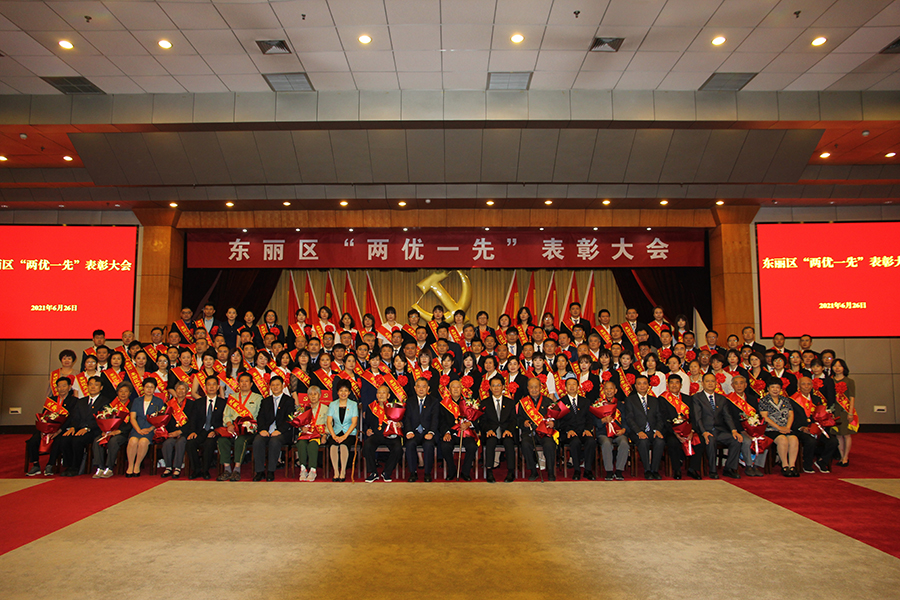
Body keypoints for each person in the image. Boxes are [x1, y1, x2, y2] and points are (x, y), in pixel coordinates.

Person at [692, 372, 742, 479]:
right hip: (706, 430)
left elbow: (727, 416)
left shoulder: (721, 398)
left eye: (712, 381)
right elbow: (697, 418)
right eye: (707, 381)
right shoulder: (697, 398)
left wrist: (733, 430)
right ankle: (713, 470)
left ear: (716, 383)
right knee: (711, 440)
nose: (710, 383)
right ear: (702, 383)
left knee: (736, 440)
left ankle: (729, 468)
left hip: (720, 430)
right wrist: (704, 432)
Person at [218, 373, 263, 481]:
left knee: (240, 441)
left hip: (248, 430)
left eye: (246, 381)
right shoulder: (232, 397)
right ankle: (227, 469)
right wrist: (229, 424)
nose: (244, 383)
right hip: (233, 428)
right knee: (222, 440)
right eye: (241, 381)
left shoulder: (257, 398)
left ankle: (236, 470)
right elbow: (226, 415)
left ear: (251, 384)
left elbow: (259, 416)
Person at [790, 376, 839, 474]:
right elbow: (790, 419)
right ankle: (807, 464)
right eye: (803, 384)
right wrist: (801, 428)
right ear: (798, 386)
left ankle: (822, 461)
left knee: (833, 441)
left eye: (809, 384)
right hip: (800, 429)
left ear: (812, 386)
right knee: (810, 441)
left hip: (816, 428)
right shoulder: (792, 400)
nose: (806, 386)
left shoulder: (817, 399)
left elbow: (821, 414)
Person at [252, 375, 292, 481]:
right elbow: (260, 417)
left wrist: (279, 431)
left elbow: (289, 419)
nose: (275, 387)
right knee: (257, 441)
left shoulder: (289, 400)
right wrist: (262, 429)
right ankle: (259, 471)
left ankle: (271, 471)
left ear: (283, 386)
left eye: (277, 385)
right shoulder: (266, 401)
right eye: (273, 385)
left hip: (282, 432)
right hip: (266, 431)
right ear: (270, 387)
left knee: (274, 441)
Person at [624, 375, 665, 480]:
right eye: (639, 384)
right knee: (643, 442)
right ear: (635, 386)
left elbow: (660, 417)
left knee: (660, 441)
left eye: (644, 383)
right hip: (637, 432)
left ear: (648, 386)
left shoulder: (654, 400)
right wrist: (638, 431)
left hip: (652, 431)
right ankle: (647, 470)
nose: (642, 386)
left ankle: (655, 470)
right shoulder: (630, 400)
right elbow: (629, 418)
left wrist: (657, 430)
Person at [725, 375, 766, 477]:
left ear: (746, 385)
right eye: (736, 383)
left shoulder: (752, 399)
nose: (739, 386)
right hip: (738, 430)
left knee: (764, 439)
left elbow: (758, 415)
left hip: (753, 429)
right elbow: (729, 418)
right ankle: (749, 466)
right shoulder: (728, 400)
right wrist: (742, 431)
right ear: (732, 385)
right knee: (747, 441)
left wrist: (756, 429)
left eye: (741, 383)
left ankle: (757, 465)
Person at [186, 376, 226, 480]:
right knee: (190, 443)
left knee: (209, 443)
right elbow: (193, 419)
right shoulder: (198, 402)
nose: (211, 387)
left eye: (214, 384)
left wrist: (216, 431)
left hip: (215, 431)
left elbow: (224, 421)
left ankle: (205, 470)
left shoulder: (223, 403)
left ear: (218, 387)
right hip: (201, 430)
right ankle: (196, 469)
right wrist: (192, 431)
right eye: (209, 384)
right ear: (205, 387)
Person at [125, 379, 166, 477]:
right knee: (133, 441)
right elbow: (132, 418)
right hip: (137, 428)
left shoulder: (158, 401)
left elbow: (160, 418)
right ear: (143, 388)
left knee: (143, 442)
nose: (149, 389)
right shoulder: (137, 401)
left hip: (151, 430)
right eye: (147, 387)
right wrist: (138, 429)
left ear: (155, 389)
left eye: (152, 387)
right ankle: (130, 466)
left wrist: (150, 429)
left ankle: (137, 465)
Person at [438, 379, 478, 481]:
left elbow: (478, 419)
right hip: (451, 433)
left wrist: (469, 424)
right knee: (445, 446)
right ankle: (452, 470)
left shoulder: (468, 402)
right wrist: (446, 432)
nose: (456, 389)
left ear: (461, 389)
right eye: (453, 387)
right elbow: (441, 421)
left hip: (466, 433)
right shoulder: (444, 404)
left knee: (472, 446)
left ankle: (465, 472)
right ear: (449, 389)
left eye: (458, 387)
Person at [557, 376, 596, 480]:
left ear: (578, 387)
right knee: (575, 442)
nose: (572, 386)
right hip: (568, 433)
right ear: (565, 388)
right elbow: (559, 421)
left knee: (591, 441)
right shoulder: (561, 402)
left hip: (583, 431)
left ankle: (588, 470)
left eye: (574, 384)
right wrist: (568, 430)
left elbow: (589, 418)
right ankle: (577, 470)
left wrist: (587, 429)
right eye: (569, 384)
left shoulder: (585, 401)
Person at [91, 382, 133, 478]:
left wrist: (120, 431)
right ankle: (100, 467)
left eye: (126, 391)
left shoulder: (132, 405)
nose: (123, 394)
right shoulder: (111, 405)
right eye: (121, 391)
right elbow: (103, 418)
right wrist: (104, 429)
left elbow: (133, 422)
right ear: (117, 393)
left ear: (130, 393)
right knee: (97, 441)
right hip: (108, 432)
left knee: (113, 441)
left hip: (123, 433)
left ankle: (109, 467)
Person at [519, 376, 557, 481]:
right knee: (525, 444)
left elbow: (556, 417)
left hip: (544, 432)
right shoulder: (523, 403)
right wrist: (523, 422)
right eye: (531, 387)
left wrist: (553, 423)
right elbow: (518, 418)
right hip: (529, 432)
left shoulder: (548, 401)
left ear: (541, 387)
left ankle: (550, 472)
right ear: (528, 388)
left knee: (549, 444)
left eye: (536, 387)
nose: (534, 389)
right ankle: (533, 471)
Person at [363, 384, 403, 483]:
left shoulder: (394, 406)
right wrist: (367, 430)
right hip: (376, 435)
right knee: (367, 445)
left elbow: (402, 421)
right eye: (379, 393)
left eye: (383, 393)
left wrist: (400, 424)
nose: (381, 395)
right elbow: (366, 423)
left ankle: (387, 472)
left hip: (391, 436)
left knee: (398, 448)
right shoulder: (371, 407)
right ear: (376, 395)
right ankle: (373, 472)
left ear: (388, 395)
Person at [759, 380, 799, 477]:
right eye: (772, 387)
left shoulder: (785, 400)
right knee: (782, 439)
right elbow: (765, 417)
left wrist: (787, 427)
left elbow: (791, 415)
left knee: (794, 439)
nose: (775, 389)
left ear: (781, 389)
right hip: (770, 429)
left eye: (777, 387)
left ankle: (792, 466)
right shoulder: (764, 401)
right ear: (768, 389)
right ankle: (785, 465)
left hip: (785, 428)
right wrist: (778, 427)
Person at [480, 375, 516, 483]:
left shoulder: (510, 402)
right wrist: (488, 430)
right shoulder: (484, 403)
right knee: (490, 442)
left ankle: (511, 472)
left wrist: (509, 430)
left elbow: (513, 420)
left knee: (509, 442)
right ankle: (489, 472)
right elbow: (482, 421)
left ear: (503, 387)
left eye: (498, 385)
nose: (496, 388)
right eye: (493, 386)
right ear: (490, 388)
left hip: (506, 432)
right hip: (491, 432)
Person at [403, 377, 438, 482]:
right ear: (415, 388)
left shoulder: (434, 401)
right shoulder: (409, 401)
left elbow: (435, 419)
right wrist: (409, 431)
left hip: (427, 433)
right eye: (419, 387)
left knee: (429, 445)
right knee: (410, 444)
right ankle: (412, 473)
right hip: (413, 433)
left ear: (428, 388)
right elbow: (407, 418)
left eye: (424, 387)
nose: (421, 389)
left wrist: (431, 432)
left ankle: (427, 473)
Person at [326, 381, 359, 482]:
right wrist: (333, 436)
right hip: (336, 432)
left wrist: (344, 436)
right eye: (341, 391)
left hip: (349, 433)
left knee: (344, 445)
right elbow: (329, 422)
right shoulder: (332, 404)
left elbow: (354, 423)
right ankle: (336, 472)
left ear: (349, 392)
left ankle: (343, 471)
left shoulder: (353, 405)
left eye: (345, 391)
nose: (343, 393)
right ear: (337, 392)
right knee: (333, 446)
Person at [296, 386, 329, 481]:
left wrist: (325, 435)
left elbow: (328, 424)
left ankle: (312, 470)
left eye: (315, 394)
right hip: (306, 434)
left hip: (318, 434)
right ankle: (303, 469)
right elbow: (299, 422)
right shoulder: (304, 408)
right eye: (310, 394)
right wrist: (302, 428)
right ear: (308, 396)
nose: (313, 396)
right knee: (301, 443)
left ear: (320, 395)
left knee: (313, 444)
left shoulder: (325, 408)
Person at [160, 381, 190, 479]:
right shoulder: (169, 404)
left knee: (180, 442)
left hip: (185, 433)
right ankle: (168, 467)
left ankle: (177, 468)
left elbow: (193, 422)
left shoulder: (192, 404)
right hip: (172, 433)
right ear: (175, 390)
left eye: (183, 389)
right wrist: (171, 432)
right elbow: (166, 421)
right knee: (167, 443)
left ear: (187, 391)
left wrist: (181, 431)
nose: (180, 391)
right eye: (178, 388)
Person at [830, 358, 857, 467]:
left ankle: (846, 457)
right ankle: (841, 456)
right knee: (838, 435)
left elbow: (852, 397)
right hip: (834, 411)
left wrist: (850, 413)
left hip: (845, 410)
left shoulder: (849, 381)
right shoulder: (830, 381)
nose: (837, 368)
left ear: (844, 368)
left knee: (846, 434)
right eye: (835, 366)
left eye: (839, 366)